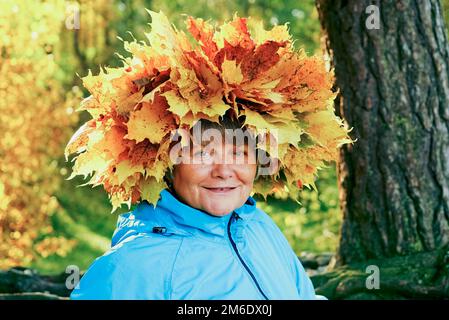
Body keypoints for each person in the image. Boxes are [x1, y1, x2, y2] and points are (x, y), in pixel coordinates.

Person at [70, 117, 322, 300]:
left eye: (239, 153)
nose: (223, 171)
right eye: (203, 154)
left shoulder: (258, 225)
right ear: (166, 164)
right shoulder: (134, 265)